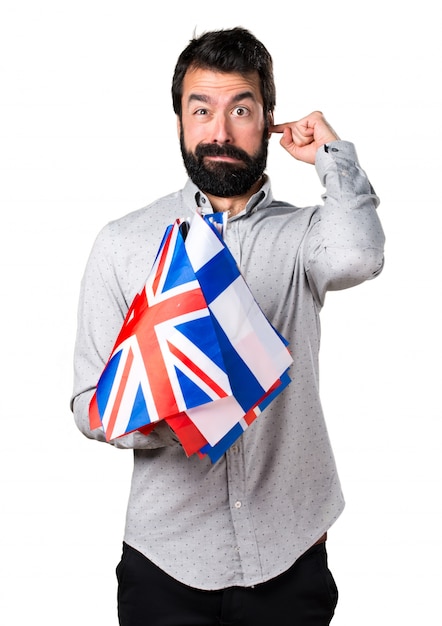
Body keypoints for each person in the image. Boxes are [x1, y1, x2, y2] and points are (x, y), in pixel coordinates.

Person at [71, 26, 385, 626]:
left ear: (267, 119)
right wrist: (171, 412)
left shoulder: (304, 236)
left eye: (241, 109)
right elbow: (88, 403)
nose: (219, 131)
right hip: (165, 562)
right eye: (201, 109)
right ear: (181, 122)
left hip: (290, 555)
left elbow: (360, 254)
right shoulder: (123, 244)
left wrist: (331, 155)